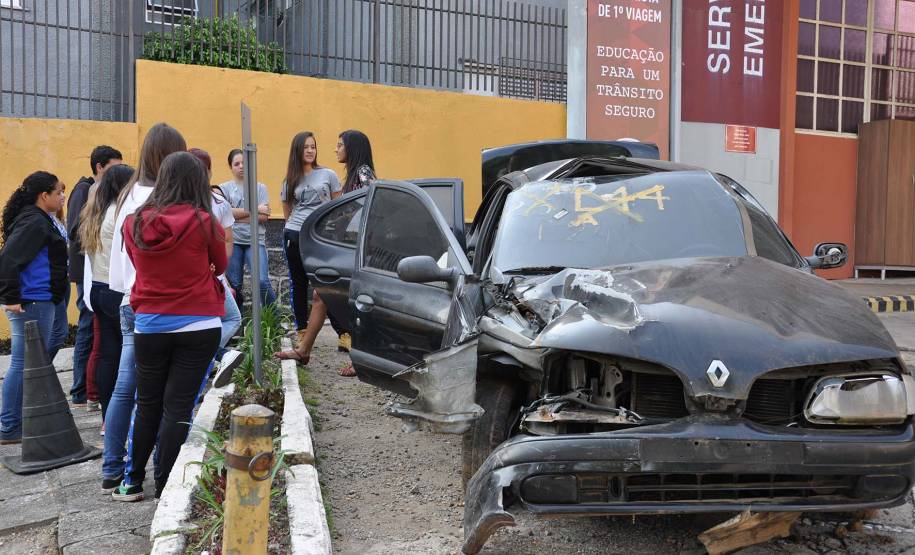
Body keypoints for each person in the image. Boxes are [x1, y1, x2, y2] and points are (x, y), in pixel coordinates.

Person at [113, 151, 226, 502]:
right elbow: (219, 265)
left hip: (149, 324)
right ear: (197, 182)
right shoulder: (205, 221)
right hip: (199, 323)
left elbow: (138, 265)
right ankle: (165, 487)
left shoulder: (132, 222)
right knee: (178, 406)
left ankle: (131, 482)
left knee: (147, 404)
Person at [101, 123, 186, 492]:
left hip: (130, 301)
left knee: (127, 390)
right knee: (162, 398)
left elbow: (118, 271)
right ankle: (155, 473)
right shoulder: (170, 199)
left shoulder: (127, 196)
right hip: (164, 307)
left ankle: (113, 469)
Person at [276, 130, 376, 376]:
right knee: (322, 296)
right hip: (345, 245)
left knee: (348, 300)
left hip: (355, 248)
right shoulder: (353, 174)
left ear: (351, 148)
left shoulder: (362, 173)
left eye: (340, 145)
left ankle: (362, 357)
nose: (336, 149)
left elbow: (371, 208)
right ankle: (304, 350)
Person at [0, 172, 68, 444]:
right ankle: (9, 426)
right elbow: (7, 261)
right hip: (32, 301)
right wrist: (11, 297)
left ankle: (20, 412)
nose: (62, 196)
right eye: (58, 192)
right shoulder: (34, 223)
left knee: (48, 344)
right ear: (44, 196)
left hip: (43, 299)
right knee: (22, 363)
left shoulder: (39, 220)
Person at [67, 145, 123, 406]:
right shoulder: (85, 191)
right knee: (90, 335)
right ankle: (82, 391)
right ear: (100, 167)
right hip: (95, 278)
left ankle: (91, 395)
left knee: (99, 340)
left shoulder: (97, 202)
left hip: (96, 280)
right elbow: (74, 233)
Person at [78, 164, 133, 423]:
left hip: (98, 290)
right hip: (116, 291)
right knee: (125, 355)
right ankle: (121, 416)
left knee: (107, 353)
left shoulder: (94, 213)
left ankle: (106, 417)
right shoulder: (119, 214)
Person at [278, 132, 341, 351]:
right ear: (297, 150)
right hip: (295, 234)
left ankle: (343, 333)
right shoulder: (290, 180)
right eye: (305, 147)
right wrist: (291, 230)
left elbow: (338, 206)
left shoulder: (328, 174)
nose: (310, 150)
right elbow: (287, 210)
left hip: (321, 237)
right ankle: (302, 330)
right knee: (298, 283)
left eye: (313, 146)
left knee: (326, 285)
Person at [189, 147, 243, 386]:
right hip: (202, 277)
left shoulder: (217, 203)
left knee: (228, 319)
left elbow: (227, 240)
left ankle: (203, 357)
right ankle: (206, 357)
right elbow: (226, 240)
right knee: (228, 319)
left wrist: (220, 273)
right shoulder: (212, 202)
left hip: (207, 275)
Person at [218, 149, 275, 309]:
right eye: (236, 164)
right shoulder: (224, 188)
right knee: (234, 283)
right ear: (231, 167)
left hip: (255, 241)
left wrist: (236, 214)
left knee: (262, 280)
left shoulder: (260, 187)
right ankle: (237, 324)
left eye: (244, 163)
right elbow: (226, 213)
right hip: (233, 241)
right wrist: (255, 209)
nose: (241, 166)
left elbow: (264, 217)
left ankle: (274, 321)